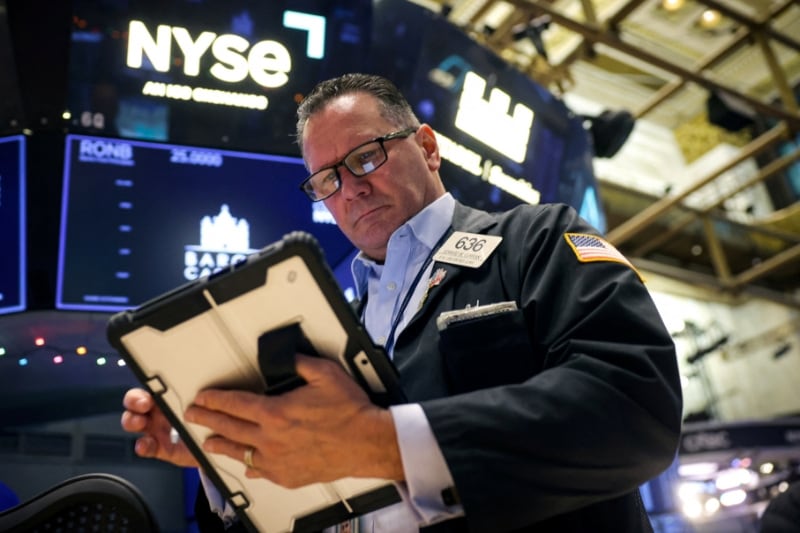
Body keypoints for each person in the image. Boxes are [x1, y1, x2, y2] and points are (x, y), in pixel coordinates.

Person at [121, 73, 683, 532]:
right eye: (326, 181)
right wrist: (233, 456)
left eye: (365, 157)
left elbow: (635, 405)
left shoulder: (533, 240)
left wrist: (378, 442)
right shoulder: (337, 323)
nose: (350, 189)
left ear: (427, 147)